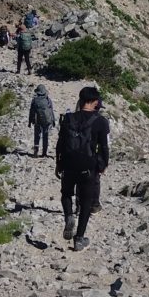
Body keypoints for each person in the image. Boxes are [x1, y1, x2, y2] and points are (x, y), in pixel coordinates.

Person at [56, 87, 110, 251]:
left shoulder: (68, 118)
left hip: (69, 164)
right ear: (95, 102)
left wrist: (58, 164)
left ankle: (69, 217)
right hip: (88, 166)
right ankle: (79, 238)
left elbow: (60, 144)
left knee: (66, 194)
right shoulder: (100, 121)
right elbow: (104, 146)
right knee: (86, 202)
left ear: (80, 100)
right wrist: (103, 165)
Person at [28, 83, 55, 157]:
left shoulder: (34, 100)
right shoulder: (48, 99)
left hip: (37, 121)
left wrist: (30, 122)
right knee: (45, 136)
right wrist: (53, 121)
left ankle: (36, 152)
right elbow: (51, 111)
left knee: (37, 136)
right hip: (47, 121)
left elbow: (31, 112)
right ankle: (44, 153)